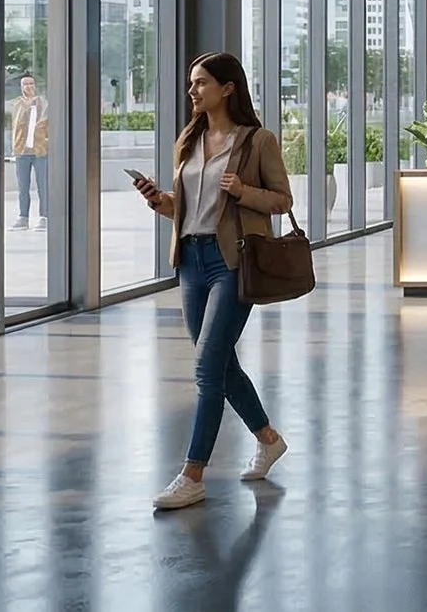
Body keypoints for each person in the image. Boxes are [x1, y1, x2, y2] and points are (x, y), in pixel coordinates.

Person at [132, 52, 295, 510]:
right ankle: (268, 438)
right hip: (191, 260)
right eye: (191, 84)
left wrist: (243, 191)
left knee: (206, 369)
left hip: (231, 263)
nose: (192, 91)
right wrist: (158, 200)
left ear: (227, 88)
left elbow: (282, 200)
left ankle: (192, 475)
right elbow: (184, 208)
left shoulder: (257, 141)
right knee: (221, 365)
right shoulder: (190, 139)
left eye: (201, 83)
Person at [9, 73, 51, 232]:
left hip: (40, 150)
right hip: (22, 150)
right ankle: (23, 217)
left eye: (31, 83)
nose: (28, 87)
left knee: (43, 185)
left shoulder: (43, 103)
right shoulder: (18, 104)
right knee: (23, 186)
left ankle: (44, 216)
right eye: (25, 84)